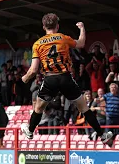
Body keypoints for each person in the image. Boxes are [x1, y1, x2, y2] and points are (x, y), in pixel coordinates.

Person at [21, 13, 113, 146]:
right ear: (57, 26)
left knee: (39, 108)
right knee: (84, 108)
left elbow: (33, 70)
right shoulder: (63, 38)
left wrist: (24, 79)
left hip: (50, 79)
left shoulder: (37, 44)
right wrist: (82, 28)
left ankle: (30, 131)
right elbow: (81, 43)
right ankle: (102, 135)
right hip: (65, 78)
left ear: (43, 27)